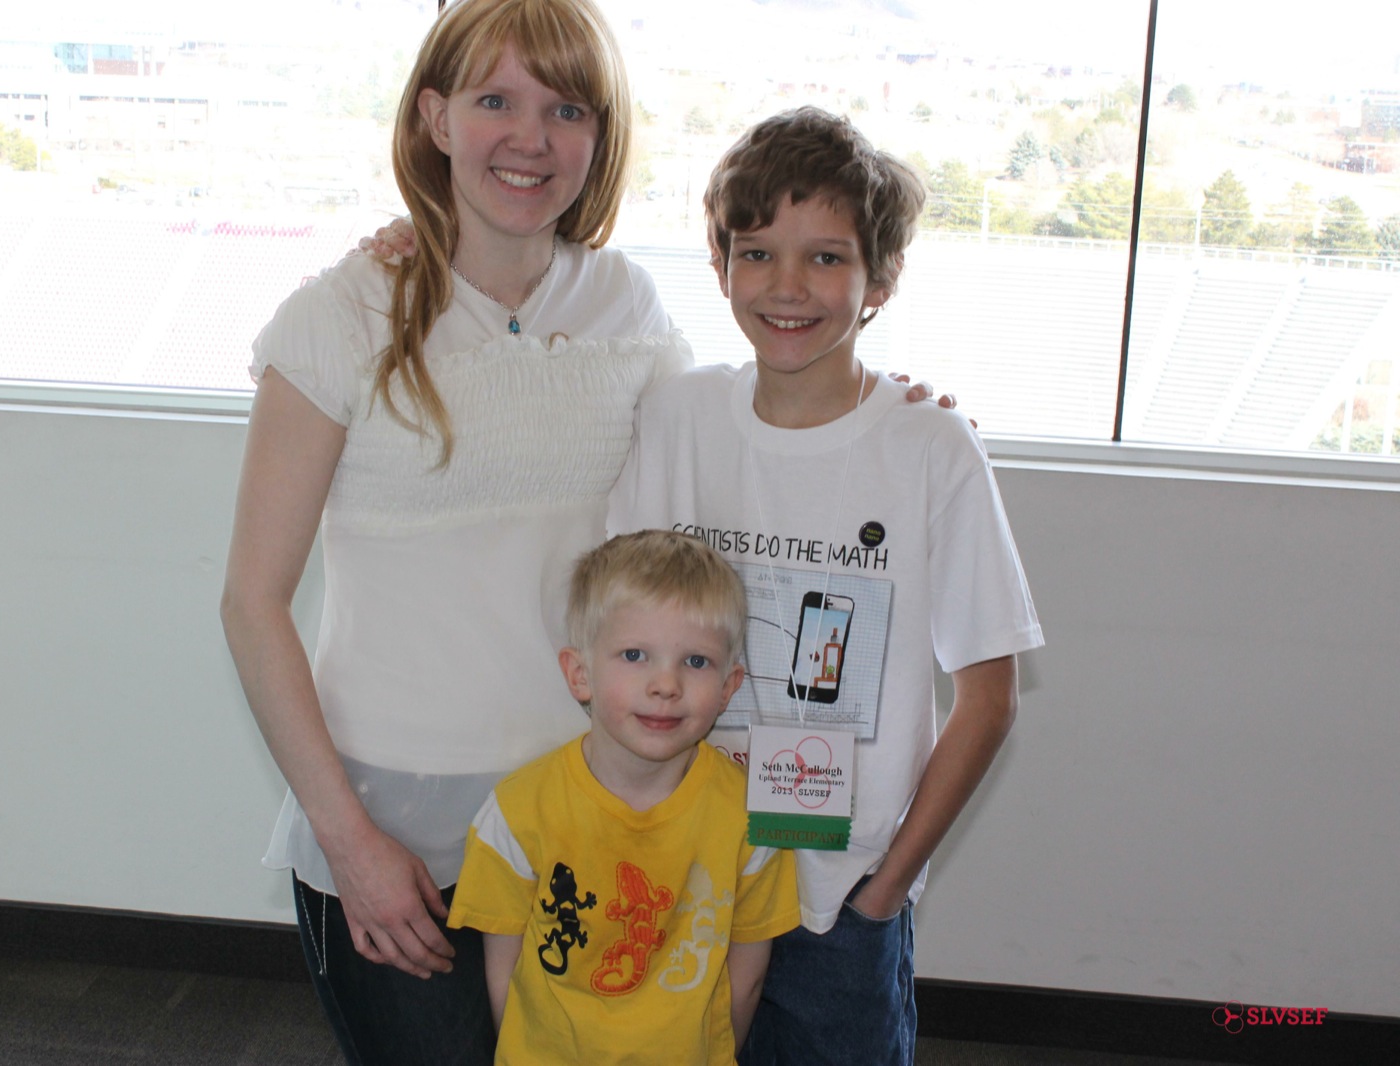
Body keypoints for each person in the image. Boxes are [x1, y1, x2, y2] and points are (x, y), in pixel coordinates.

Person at [222, 0, 956, 1059]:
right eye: (495, 101)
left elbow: (746, 444)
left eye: (567, 109)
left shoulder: (627, 305)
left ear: (599, 138)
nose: (530, 138)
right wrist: (348, 841)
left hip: (599, 819)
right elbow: (251, 605)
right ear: (434, 118)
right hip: (395, 828)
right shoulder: (338, 316)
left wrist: (893, 413)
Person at [607, 106, 1046, 1066]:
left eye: (827, 258)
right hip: (686, 877)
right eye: (758, 254)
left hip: (838, 905)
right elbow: (616, 644)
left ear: (880, 278)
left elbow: (989, 697)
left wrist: (884, 889)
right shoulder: (679, 418)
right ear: (720, 265)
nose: (788, 286)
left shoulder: (930, 447)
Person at [447, 530, 800, 1064]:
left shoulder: (752, 819)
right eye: (635, 655)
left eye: (696, 662)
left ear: (729, 688)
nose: (666, 684)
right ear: (580, 674)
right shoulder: (517, 814)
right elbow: (504, 976)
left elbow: (746, 979)